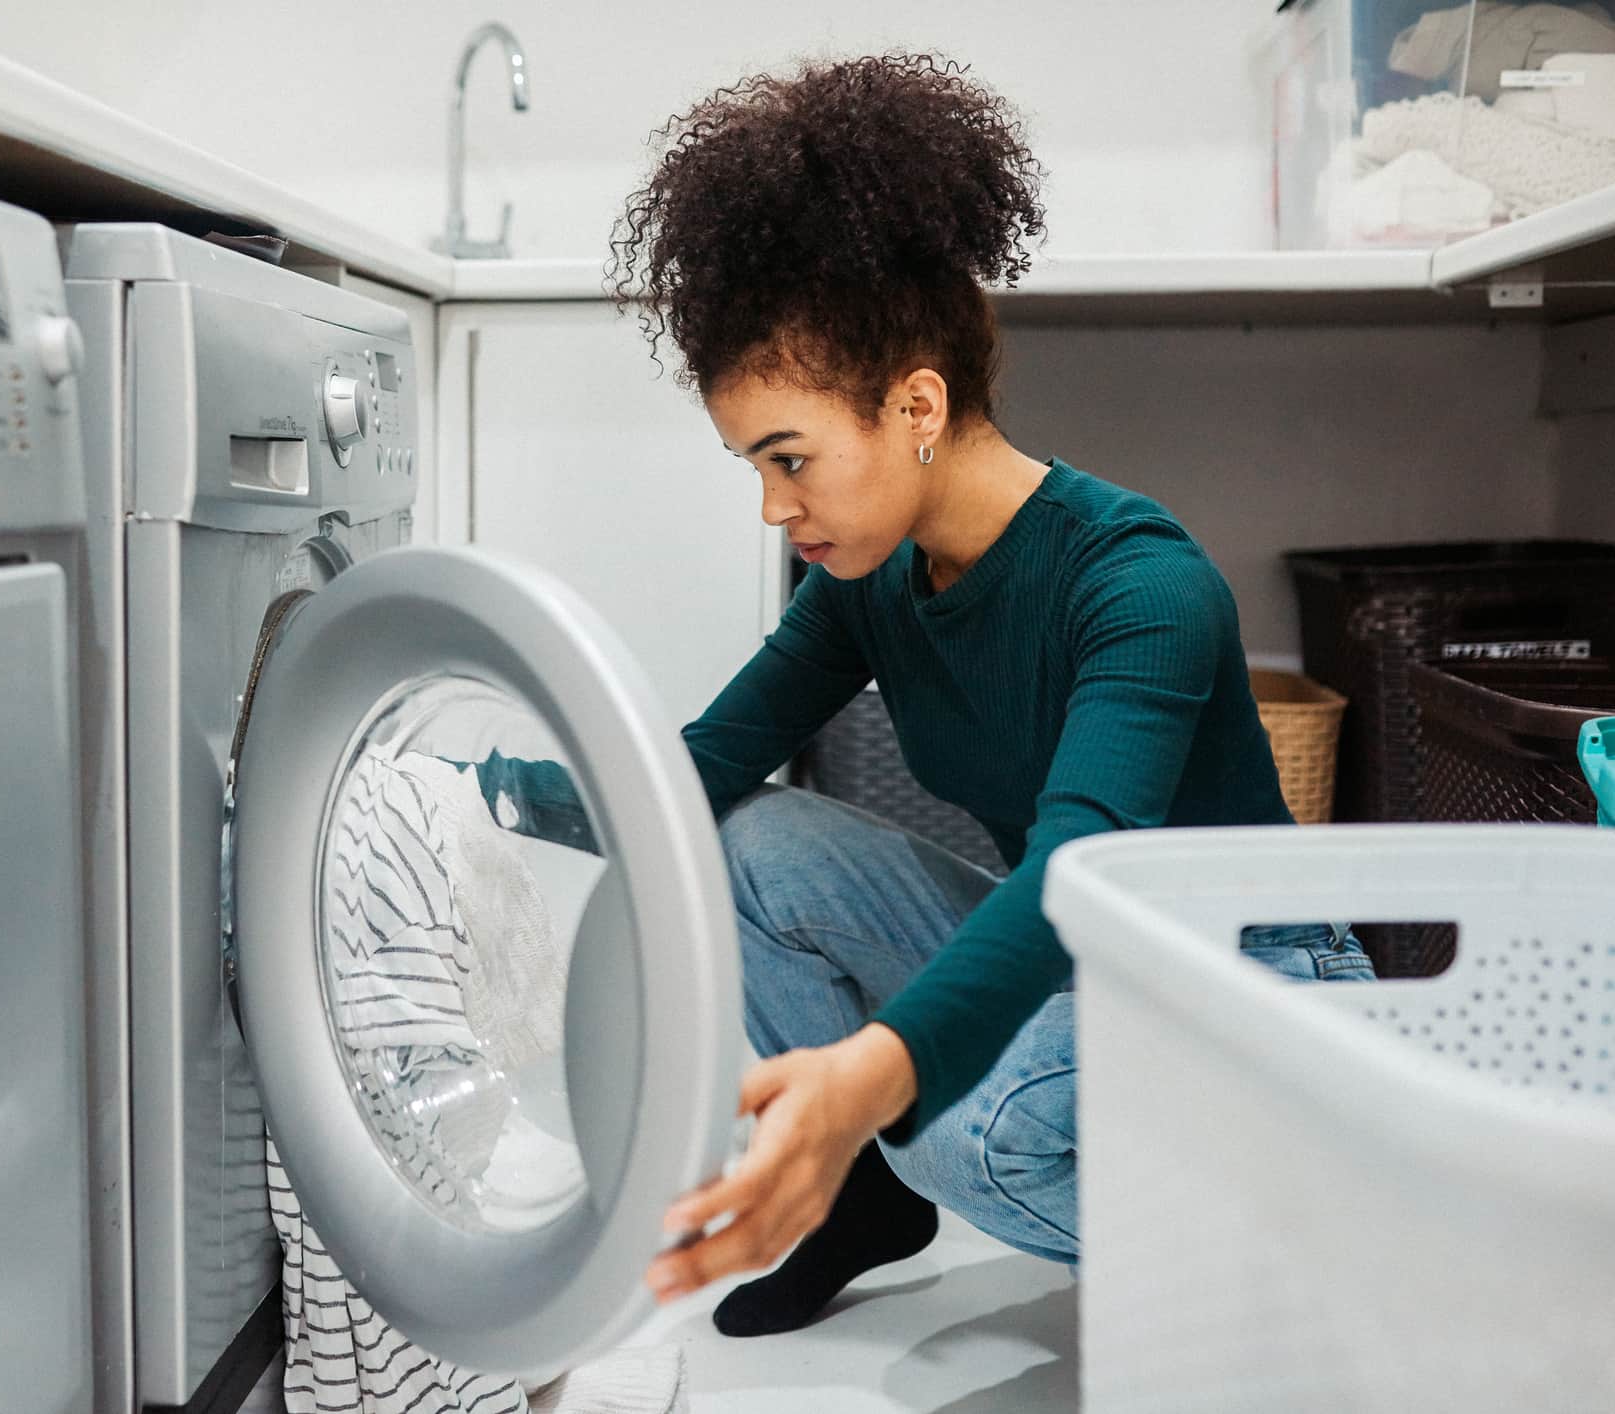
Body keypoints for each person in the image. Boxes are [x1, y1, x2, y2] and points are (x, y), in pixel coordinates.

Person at [475, 50, 1374, 1339]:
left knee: (964, 1132)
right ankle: (862, 1203)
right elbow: (697, 770)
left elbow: (1076, 877)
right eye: (753, 466)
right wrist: (458, 789)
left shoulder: (1139, 583)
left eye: (791, 459)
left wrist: (870, 1081)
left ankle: (1295, 1251)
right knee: (737, 843)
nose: (776, 509)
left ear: (916, 406)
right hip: (1086, 975)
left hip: (1253, 991)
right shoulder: (870, 581)